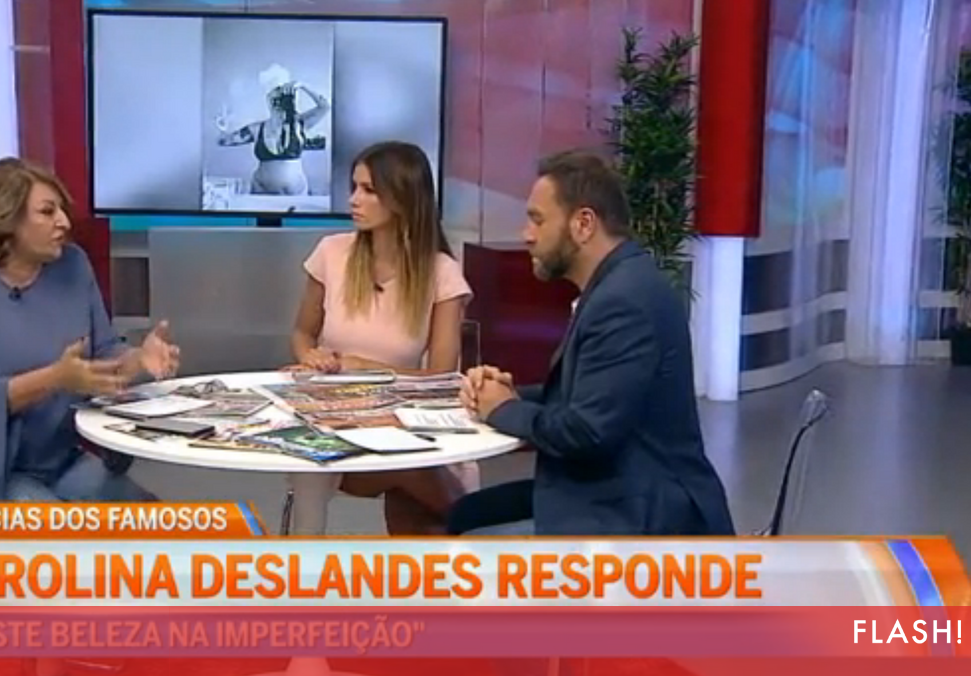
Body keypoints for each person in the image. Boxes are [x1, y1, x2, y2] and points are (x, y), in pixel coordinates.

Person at [452, 150, 735, 536]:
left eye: (537, 219)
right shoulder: (618, 284)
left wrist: (503, 409)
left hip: (640, 515)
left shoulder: (624, 300)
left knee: (461, 528)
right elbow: (587, 396)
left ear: (584, 224)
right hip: (613, 492)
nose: (526, 235)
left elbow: (586, 433)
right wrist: (508, 392)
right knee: (461, 513)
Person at [0, 157, 180, 502]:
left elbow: (102, 354)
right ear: (6, 219)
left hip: (57, 463)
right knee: (60, 533)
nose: (63, 222)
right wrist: (55, 378)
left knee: (159, 521)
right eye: (47, 212)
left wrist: (139, 359)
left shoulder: (73, 264)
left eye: (62, 210)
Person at [287, 141, 475, 535]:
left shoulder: (441, 272)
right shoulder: (331, 252)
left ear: (403, 198)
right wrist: (310, 356)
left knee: (415, 464)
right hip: (333, 414)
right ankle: (301, 563)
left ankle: (469, 524)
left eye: (369, 190)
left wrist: (367, 368)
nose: (353, 200)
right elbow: (303, 333)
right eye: (354, 187)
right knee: (310, 460)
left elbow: (443, 377)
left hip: (399, 417)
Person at [216, 64, 329, 196]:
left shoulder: (299, 124)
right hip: (261, 191)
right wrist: (222, 126)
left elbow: (325, 107)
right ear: (268, 101)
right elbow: (224, 141)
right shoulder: (257, 129)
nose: (279, 103)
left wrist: (303, 85)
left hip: (295, 194)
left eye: (283, 99)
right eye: (275, 99)